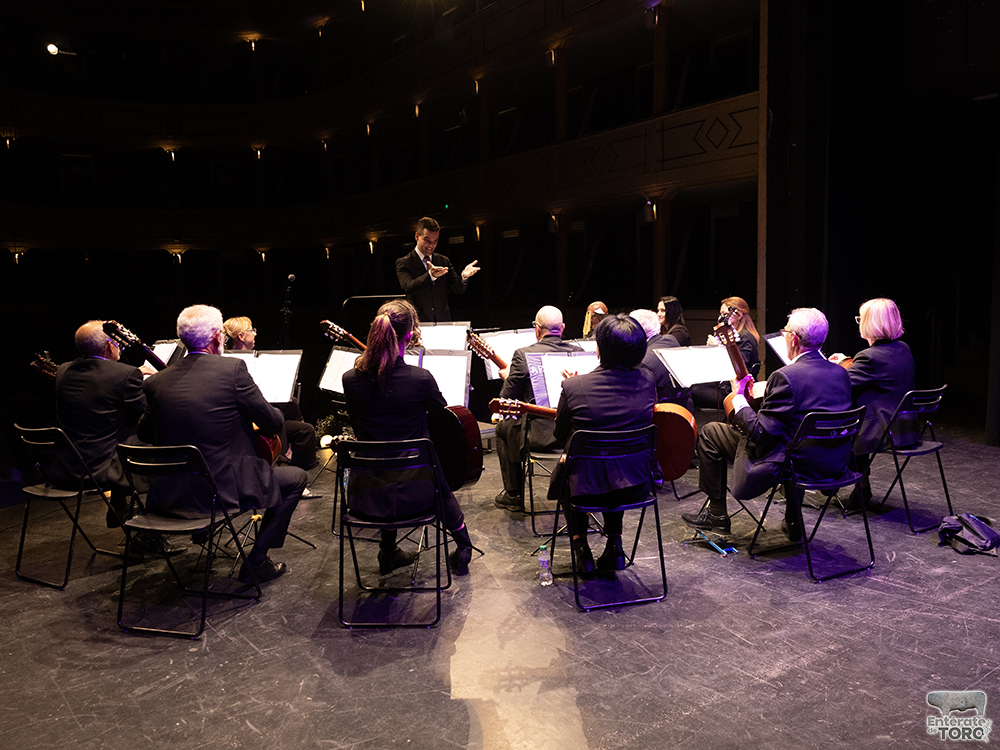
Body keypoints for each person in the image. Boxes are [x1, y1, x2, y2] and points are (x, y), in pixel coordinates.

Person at [138, 305, 306, 584]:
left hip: (168, 494)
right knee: (296, 477)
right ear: (217, 337)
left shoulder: (157, 381)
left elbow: (144, 432)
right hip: (219, 491)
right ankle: (257, 561)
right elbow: (273, 424)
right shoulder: (233, 369)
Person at [682, 308, 852, 541]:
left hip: (793, 464)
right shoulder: (840, 373)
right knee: (796, 437)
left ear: (793, 339)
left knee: (712, 432)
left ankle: (717, 514)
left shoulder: (786, 376)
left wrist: (738, 396)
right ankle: (794, 521)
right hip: (833, 461)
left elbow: (762, 433)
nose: (784, 336)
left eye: (786, 332)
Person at [342, 299, 475, 575]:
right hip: (419, 493)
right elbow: (443, 418)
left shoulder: (349, 380)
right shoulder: (420, 379)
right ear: (410, 335)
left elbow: (357, 427)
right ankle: (463, 547)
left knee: (390, 454)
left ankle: (387, 551)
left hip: (365, 494)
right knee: (428, 456)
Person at [550, 313, 657, 574]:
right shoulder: (648, 381)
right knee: (614, 465)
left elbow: (559, 434)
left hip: (586, 490)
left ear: (598, 349)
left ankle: (581, 548)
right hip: (638, 484)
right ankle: (615, 546)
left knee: (572, 465)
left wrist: (576, 388)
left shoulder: (574, 386)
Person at [49, 321, 147, 530]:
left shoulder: (63, 371)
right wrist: (151, 383)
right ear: (110, 345)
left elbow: (101, 384)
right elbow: (144, 414)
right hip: (103, 470)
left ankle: (121, 508)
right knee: (158, 442)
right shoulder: (125, 374)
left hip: (67, 469)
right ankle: (149, 522)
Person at [493, 306, 583, 512]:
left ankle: (514, 494)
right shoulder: (578, 353)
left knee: (501, 429)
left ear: (537, 330)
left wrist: (508, 377)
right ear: (562, 328)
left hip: (539, 438)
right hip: (574, 436)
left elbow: (506, 398)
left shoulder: (523, 355)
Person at [830, 298, 915, 507]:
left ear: (871, 323)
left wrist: (831, 366)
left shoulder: (870, 357)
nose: (858, 323)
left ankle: (836, 481)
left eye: (861, 318)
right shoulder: (903, 348)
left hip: (885, 430)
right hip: (907, 427)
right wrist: (844, 362)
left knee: (839, 423)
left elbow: (841, 385)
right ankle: (855, 485)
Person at [223, 315, 319, 476]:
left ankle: (292, 462)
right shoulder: (232, 364)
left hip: (262, 413)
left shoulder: (255, 360)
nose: (255, 333)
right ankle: (283, 455)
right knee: (284, 412)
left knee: (304, 428)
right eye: (251, 330)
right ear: (241, 336)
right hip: (250, 419)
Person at [395, 216, 480, 323]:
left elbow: (457, 289)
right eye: (427, 240)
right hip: (418, 322)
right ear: (417, 236)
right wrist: (430, 276)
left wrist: (464, 277)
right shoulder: (405, 262)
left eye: (435, 241)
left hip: (443, 320)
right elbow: (409, 287)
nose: (431, 245)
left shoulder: (443, 261)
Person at [692, 296, 761, 409]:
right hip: (726, 385)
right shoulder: (735, 335)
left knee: (689, 392)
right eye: (721, 314)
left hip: (734, 391)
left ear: (738, 315)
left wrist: (717, 348)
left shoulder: (745, 337)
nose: (720, 318)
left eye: (724, 314)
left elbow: (739, 369)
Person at [629, 308, 688, 405]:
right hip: (684, 406)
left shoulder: (642, 362)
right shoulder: (671, 340)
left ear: (638, 331)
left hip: (661, 412)